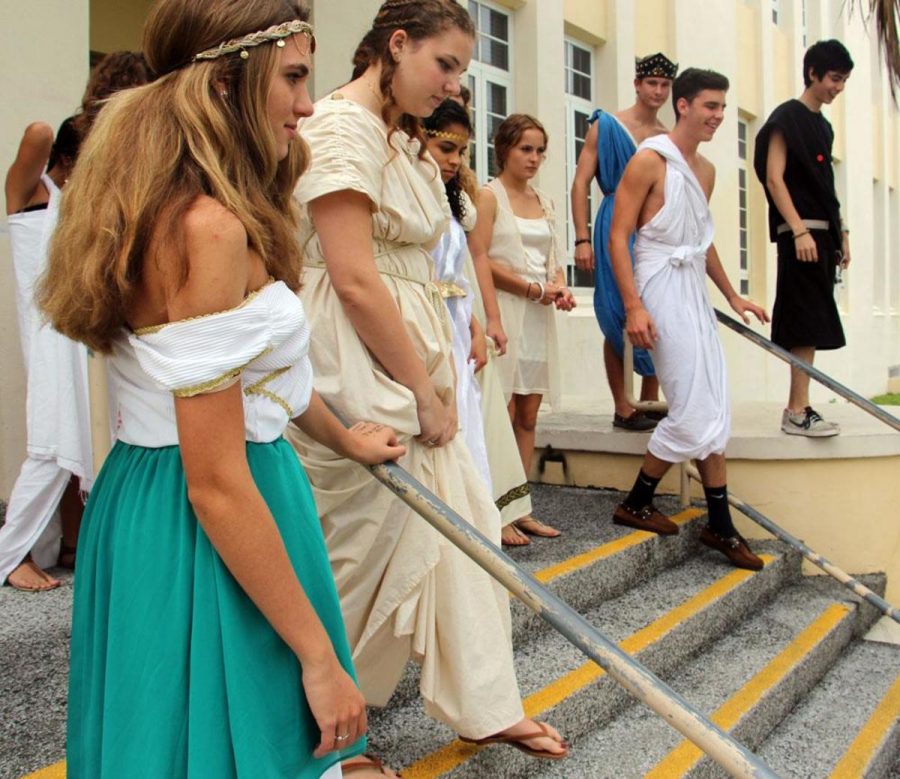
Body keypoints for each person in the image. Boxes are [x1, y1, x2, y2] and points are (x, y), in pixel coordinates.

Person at [39, 3, 402, 776]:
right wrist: (320, 658)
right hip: (217, 510)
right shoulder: (209, 228)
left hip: (145, 498)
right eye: (295, 77)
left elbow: (261, 379)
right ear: (229, 83)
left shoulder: (145, 199)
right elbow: (215, 482)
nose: (309, 104)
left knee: (160, 739)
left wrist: (343, 436)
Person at [287, 0, 567, 765]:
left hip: (407, 348)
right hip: (355, 358)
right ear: (396, 44)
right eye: (442, 64)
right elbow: (350, 276)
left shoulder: (398, 133)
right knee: (357, 552)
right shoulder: (343, 128)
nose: (450, 86)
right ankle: (326, 739)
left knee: (460, 535)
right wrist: (423, 389)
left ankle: (486, 702)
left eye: (461, 73)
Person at [608, 68, 769, 570]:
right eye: (711, 106)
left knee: (713, 404)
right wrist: (634, 305)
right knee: (693, 408)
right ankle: (644, 504)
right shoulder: (649, 161)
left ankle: (707, 523)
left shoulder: (706, 171)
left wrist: (734, 296)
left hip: (692, 290)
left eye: (723, 107)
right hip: (657, 284)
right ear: (683, 105)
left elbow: (702, 242)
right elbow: (618, 236)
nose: (719, 117)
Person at [2, 51, 150, 591]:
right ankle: (10, 554)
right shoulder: (34, 192)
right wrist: (96, 108)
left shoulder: (100, 197)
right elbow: (39, 133)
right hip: (48, 331)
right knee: (51, 437)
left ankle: (71, 541)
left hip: (84, 325)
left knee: (86, 434)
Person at [471, 113, 575, 542]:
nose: (534, 158)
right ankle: (496, 511)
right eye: (525, 149)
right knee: (503, 409)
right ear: (505, 150)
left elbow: (554, 258)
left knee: (529, 412)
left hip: (537, 315)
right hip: (505, 310)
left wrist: (559, 286)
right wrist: (532, 288)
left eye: (539, 151)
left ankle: (521, 505)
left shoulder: (544, 201)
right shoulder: (487, 196)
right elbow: (478, 259)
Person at [571, 53, 678, 432]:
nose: (658, 91)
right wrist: (581, 238)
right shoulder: (608, 125)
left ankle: (649, 402)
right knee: (617, 314)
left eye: (665, 85)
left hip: (651, 229)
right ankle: (622, 406)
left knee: (655, 311)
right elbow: (581, 181)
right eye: (652, 83)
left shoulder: (668, 137)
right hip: (614, 222)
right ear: (637, 84)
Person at [754, 39, 853, 437]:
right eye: (834, 78)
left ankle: (801, 405)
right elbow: (774, 178)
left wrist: (842, 230)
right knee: (803, 320)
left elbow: (826, 183)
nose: (838, 87)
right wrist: (798, 230)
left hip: (822, 235)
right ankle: (797, 409)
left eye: (843, 80)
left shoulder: (823, 127)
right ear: (812, 73)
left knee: (813, 321)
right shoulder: (786, 118)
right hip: (801, 234)